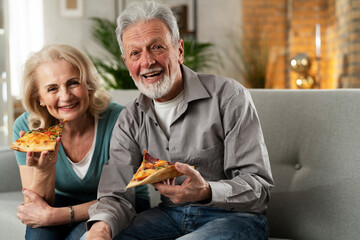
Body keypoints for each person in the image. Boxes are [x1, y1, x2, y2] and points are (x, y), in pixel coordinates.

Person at [84, 1, 274, 239]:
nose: (147, 61)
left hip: (234, 217)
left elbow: (259, 188)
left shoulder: (228, 96)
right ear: (126, 63)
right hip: (168, 215)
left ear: (179, 50)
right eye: (135, 53)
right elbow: (115, 194)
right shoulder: (130, 118)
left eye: (157, 47)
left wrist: (205, 191)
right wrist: (100, 229)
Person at [13, 44, 149, 240]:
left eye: (73, 83)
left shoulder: (119, 119)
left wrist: (57, 216)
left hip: (122, 204)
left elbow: (123, 198)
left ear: (89, 84)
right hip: (59, 201)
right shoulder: (28, 129)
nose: (66, 96)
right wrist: (45, 170)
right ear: (39, 97)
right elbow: (34, 207)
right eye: (52, 88)